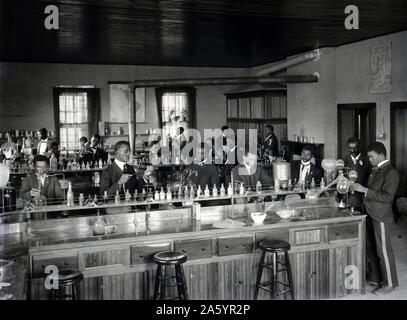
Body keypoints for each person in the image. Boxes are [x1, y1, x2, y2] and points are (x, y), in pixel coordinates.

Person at [351, 142, 399, 295]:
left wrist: (364, 190)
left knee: (384, 251)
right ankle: (377, 278)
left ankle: (390, 284)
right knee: (373, 249)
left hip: (381, 216)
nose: (369, 159)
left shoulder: (391, 172)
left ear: (381, 155)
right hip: (370, 214)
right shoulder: (376, 170)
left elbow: (386, 197)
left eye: (371, 156)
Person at [343, 137, 370, 211]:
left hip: (363, 198)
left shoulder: (367, 160)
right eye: (350, 148)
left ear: (360, 147)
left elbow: (371, 178)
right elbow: (340, 178)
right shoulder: (344, 160)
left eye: (356, 147)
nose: (353, 150)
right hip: (348, 197)